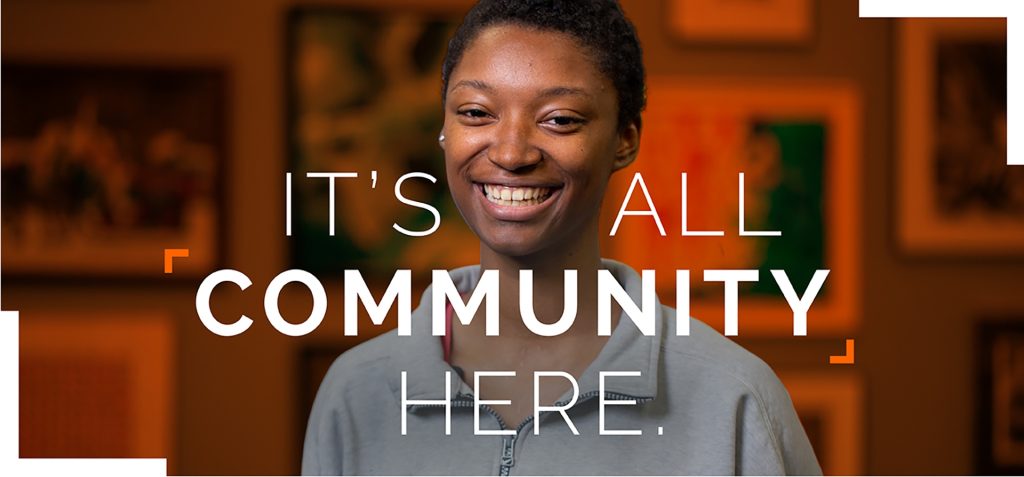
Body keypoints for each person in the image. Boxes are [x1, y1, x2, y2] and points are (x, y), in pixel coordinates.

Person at [302, 0, 822, 474]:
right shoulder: (355, 395)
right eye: (476, 113)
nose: (511, 153)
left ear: (624, 139)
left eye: (560, 119)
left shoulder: (734, 400)